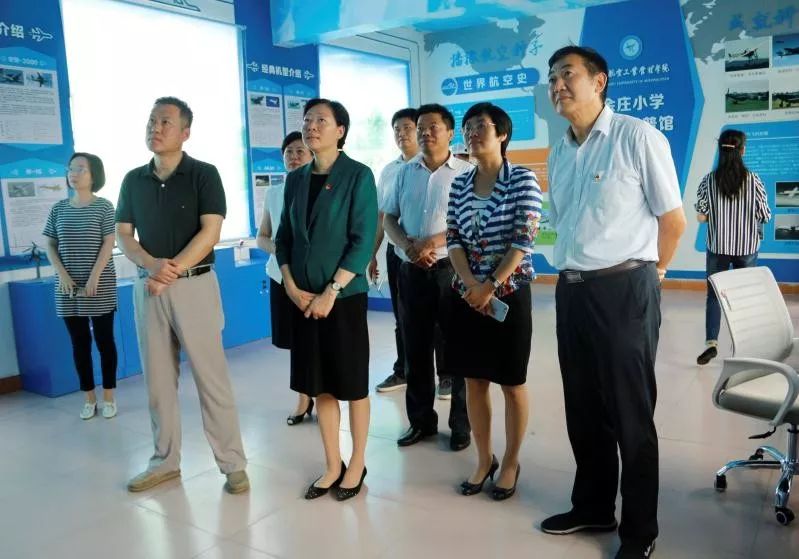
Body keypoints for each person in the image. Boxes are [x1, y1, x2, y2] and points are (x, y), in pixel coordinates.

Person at [541, 47, 686, 559]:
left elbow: (673, 221)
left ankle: (639, 532)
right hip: (572, 291)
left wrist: (655, 275)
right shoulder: (560, 151)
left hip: (625, 289)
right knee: (583, 408)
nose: (557, 85)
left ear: (599, 81)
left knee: (630, 413)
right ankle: (593, 506)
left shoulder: (636, 137)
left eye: (568, 75)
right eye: (552, 78)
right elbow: (563, 220)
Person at [116, 96, 249, 495]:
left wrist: (168, 271)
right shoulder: (133, 180)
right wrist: (151, 265)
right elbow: (124, 235)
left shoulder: (203, 174)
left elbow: (210, 232)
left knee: (212, 379)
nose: (155, 129)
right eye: (151, 121)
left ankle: (232, 463)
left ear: (185, 132)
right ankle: (164, 461)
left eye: (165, 122)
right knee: (158, 382)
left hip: (194, 284)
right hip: (149, 288)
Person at [275, 98, 377, 501]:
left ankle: (357, 462)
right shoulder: (296, 179)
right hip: (302, 298)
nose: (311, 126)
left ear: (341, 130)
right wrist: (289, 284)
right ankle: (333, 463)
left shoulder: (358, 175)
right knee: (320, 386)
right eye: (307, 120)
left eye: (321, 120)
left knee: (351, 383)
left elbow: (362, 241)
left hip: (343, 297)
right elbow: (283, 239)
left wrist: (331, 290)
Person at [447, 103, 542, 500]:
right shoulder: (459, 185)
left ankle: (511, 461)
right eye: (467, 126)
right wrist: (472, 285)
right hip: (468, 297)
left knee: (512, 382)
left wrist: (491, 285)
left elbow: (524, 239)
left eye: (481, 126)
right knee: (474, 380)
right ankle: (484, 459)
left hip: (509, 295)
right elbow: (453, 237)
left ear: (502, 134)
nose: (472, 132)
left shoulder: (522, 179)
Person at [383, 103, 472, 451]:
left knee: (457, 350)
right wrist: (408, 246)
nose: (424, 132)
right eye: (420, 126)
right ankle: (421, 422)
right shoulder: (405, 172)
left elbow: (471, 222)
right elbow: (389, 217)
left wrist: (431, 243)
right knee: (415, 348)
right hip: (412, 271)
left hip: (452, 269)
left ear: (450, 132)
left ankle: (461, 425)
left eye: (433, 126)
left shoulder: (466, 172)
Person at [43, 152, 118, 420]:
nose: (73, 174)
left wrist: (95, 276)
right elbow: (50, 244)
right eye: (71, 169)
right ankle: (89, 398)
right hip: (68, 288)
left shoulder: (104, 207)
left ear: (94, 174)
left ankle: (108, 396)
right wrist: (62, 274)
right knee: (79, 344)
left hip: (100, 285)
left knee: (105, 342)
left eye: (81, 169)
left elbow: (109, 242)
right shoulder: (58, 209)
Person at [694, 129, 771, 365]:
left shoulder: (708, 180)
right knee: (744, 296)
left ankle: (711, 344)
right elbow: (765, 215)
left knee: (714, 296)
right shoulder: (754, 180)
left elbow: (701, 217)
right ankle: (743, 347)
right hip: (746, 248)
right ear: (742, 150)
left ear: (721, 150)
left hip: (718, 247)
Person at [256, 131, 315, 423]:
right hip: (281, 275)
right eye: (289, 152)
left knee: (314, 339)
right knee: (294, 341)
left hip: (311, 276)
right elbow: (262, 237)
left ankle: (318, 394)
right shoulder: (274, 193)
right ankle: (304, 397)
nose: (293, 157)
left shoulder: (320, 188)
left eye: (300, 151)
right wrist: (280, 251)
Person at [373, 108, 417, 394]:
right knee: (401, 315)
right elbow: (382, 216)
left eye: (407, 128)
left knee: (439, 316)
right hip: (396, 252)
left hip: (433, 253)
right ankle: (403, 370)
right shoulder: (389, 170)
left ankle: (447, 375)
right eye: (397, 129)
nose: (401, 134)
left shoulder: (434, 166)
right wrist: (372, 254)